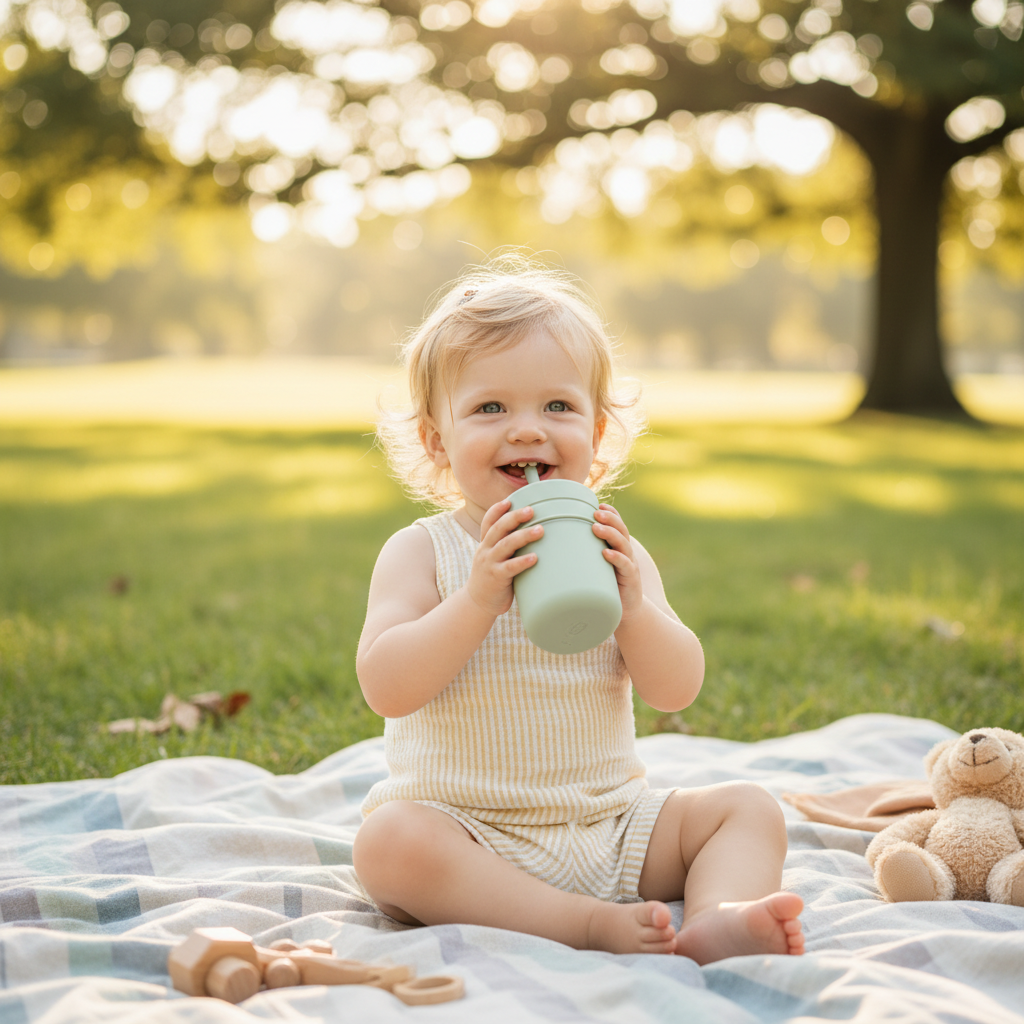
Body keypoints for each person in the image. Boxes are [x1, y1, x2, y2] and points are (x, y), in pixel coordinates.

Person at [352, 259, 804, 963]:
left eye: (557, 407)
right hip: (469, 834)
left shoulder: (613, 549)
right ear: (438, 440)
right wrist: (475, 600)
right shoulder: (424, 552)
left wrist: (635, 611)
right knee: (388, 843)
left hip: (612, 825)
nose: (528, 432)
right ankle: (578, 924)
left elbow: (676, 687)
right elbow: (386, 684)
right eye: (490, 408)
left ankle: (720, 916)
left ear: (594, 437)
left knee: (748, 807)